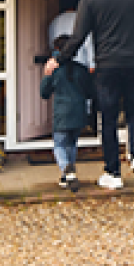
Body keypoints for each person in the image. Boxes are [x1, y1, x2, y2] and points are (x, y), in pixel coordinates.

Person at [44, 0, 134, 190]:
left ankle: (113, 172)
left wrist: (58, 59)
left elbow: (77, 37)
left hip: (108, 66)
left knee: (109, 118)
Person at [40, 35, 92, 193]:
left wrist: (46, 75)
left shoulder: (54, 70)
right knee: (71, 143)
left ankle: (66, 169)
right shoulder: (81, 70)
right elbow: (90, 92)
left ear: (56, 50)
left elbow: (44, 93)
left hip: (62, 112)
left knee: (59, 145)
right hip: (79, 111)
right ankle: (67, 177)